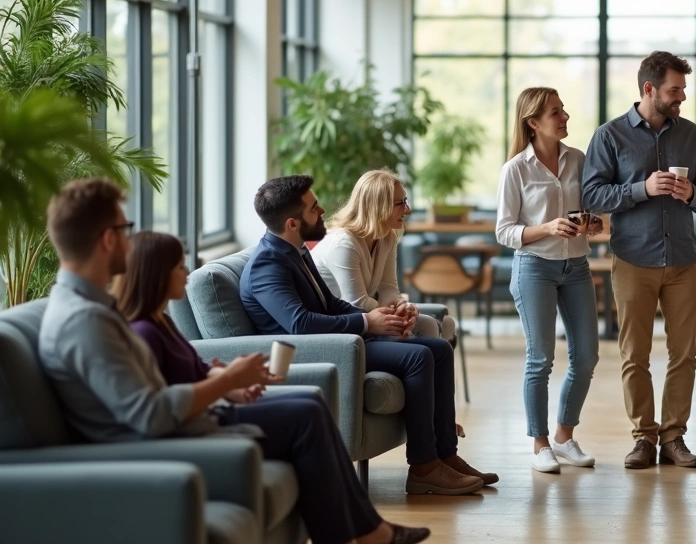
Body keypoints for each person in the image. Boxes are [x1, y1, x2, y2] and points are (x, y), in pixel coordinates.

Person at [37, 178, 428, 544]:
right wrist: (224, 385)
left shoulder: (94, 308)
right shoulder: (86, 321)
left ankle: (360, 530)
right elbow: (149, 415)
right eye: (126, 229)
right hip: (156, 443)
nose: (130, 239)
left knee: (309, 401)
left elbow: (153, 381)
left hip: (180, 421)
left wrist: (222, 381)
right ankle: (359, 532)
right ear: (108, 240)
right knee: (305, 412)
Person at [239, 175, 496, 495]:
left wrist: (373, 317)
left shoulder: (296, 251)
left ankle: (446, 455)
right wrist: (366, 323)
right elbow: (300, 324)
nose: (322, 211)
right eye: (313, 208)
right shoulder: (268, 264)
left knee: (439, 349)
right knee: (419, 355)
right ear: (292, 223)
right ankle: (423, 467)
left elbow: (330, 303)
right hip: (317, 351)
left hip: (337, 341)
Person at [582, 50, 696, 470]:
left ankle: (674, 437)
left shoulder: (692, 136)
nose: (682, 96)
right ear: (649, 89)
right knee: (635, 354)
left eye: (682, 89)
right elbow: (591, 195)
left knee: (684, 354)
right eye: (674, 89)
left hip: (683, 260)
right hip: (632, 259)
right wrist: (641, 189)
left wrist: (693, 195)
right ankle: (643, 437)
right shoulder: (610, 136)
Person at [496, 87, 603, 474]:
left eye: (563, 109)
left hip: (576, 266)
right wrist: (546, 228)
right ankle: (540, 443)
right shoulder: (516, 169)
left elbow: (592, 211)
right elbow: (505, 231)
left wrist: (591, 223)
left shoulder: (578, 159)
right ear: (533, 122)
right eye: (556, 112)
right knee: (540, 358)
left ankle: (563, 435)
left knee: (587, 356)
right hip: (534, 267)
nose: (565, 117)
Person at [310, 169, 451, 341]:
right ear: (378, 206)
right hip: (344, 324)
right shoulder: (343, 243)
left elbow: (388, 288)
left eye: (405, 201)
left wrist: (402, 306)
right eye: (400, 203)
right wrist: (399, 316)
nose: (407, 210)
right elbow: (356, 303)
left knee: (428, 324)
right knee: (415, 338)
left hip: (369, 315)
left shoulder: (387, 236)